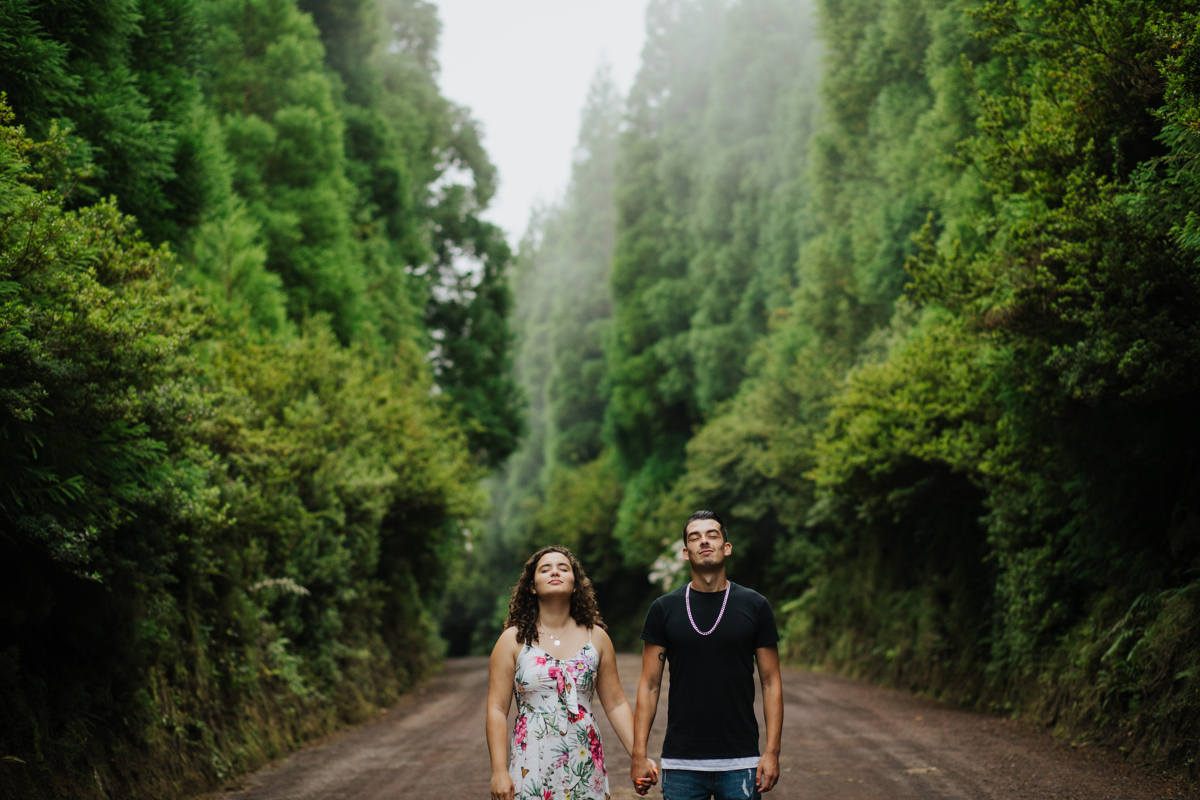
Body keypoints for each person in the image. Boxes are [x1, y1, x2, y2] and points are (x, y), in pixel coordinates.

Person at [629, 511, 783, 800]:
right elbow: (649, 685)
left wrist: (772, 752)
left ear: (726, 547)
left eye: (712, 534)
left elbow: (771, 682)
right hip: (681, 762)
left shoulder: (755, 605)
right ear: (686, 553)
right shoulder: (664, 609)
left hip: (741, 762)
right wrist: (639, 753)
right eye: (695, 537)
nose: (704, 541)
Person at [487, 545, 658, 800]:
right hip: (531, 761)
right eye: (545, 569)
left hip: (584, 759)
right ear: (532, 586)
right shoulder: (512, 640)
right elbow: (497, 710)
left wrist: (639, 756)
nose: (554, 572)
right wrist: (499, 771)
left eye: (563, 568)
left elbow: (616, 704)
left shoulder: (596, 637)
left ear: (576, 584)